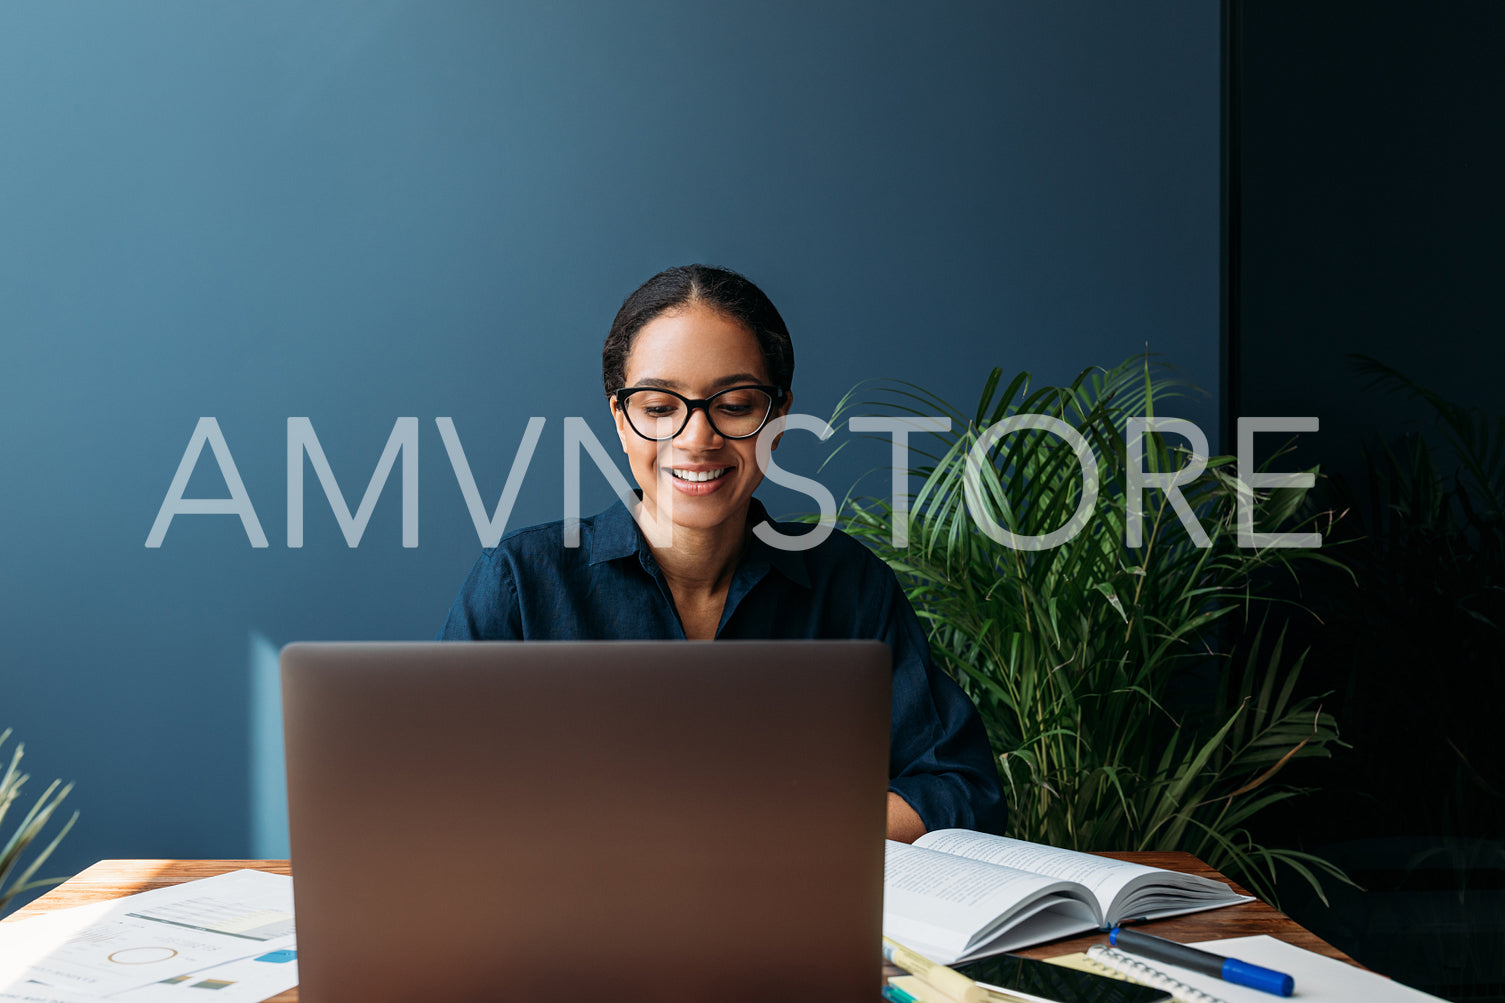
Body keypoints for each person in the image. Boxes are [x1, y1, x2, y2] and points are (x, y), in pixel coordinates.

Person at [438, 264, 1006, 840]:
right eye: (659, 408)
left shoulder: (849, 586)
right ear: (621, 420)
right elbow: (432, 798)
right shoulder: (521, 583)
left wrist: (764, 833)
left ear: (779, 417)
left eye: (735, 404)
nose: (696, 439)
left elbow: (961, 790)